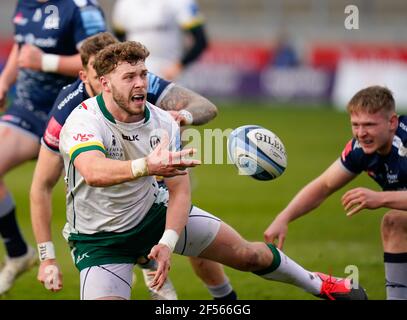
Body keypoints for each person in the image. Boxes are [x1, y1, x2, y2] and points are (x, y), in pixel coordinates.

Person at [55, 40, 367, 300]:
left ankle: (321, 284)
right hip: (100, 238)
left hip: (152, 213)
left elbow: (179, 192)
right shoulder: (83, 121)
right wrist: (147, 166)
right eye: (129, 77)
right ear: (105, 84)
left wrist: (167, 241)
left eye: (143, 75)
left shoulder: (163, 121)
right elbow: (93, 171)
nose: (140, 84)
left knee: (247, 255)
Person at [30, 32, 236, 300]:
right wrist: (47, 257)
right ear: (88, 77)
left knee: (201, 248)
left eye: (134, 75)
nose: (135, 82)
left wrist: (181, 116)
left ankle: (225, 299)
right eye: (99, 75)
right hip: (107, 205)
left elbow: (205, 107)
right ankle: (146, 262)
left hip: (157, 178)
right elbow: (42, 185)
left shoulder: (140, 82)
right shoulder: (68, 111)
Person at [0, 0, 106, 295]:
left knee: (109, 190)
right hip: (28, 111)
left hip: (74, 110)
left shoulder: (81, 8)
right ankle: (19, 253)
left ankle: (144, 263)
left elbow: (102, 61)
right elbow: (22, 51)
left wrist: (45, 62)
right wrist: (4, 82)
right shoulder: (25, 4)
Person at [264, 86, 407, 300]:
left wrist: (381, 198)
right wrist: (283, 217)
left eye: (369, 125)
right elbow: (324, 185)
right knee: (395, 221)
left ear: (392, 122)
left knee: (394, 219)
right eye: (355, 125)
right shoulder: (360, 149)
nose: (361, 133)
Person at [112, 0, 208, 80]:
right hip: (135, 73)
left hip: (168, 73)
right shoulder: (124, 3)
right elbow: (118, 40)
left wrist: (180, 65)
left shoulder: (181, 2)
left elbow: (200, 40)